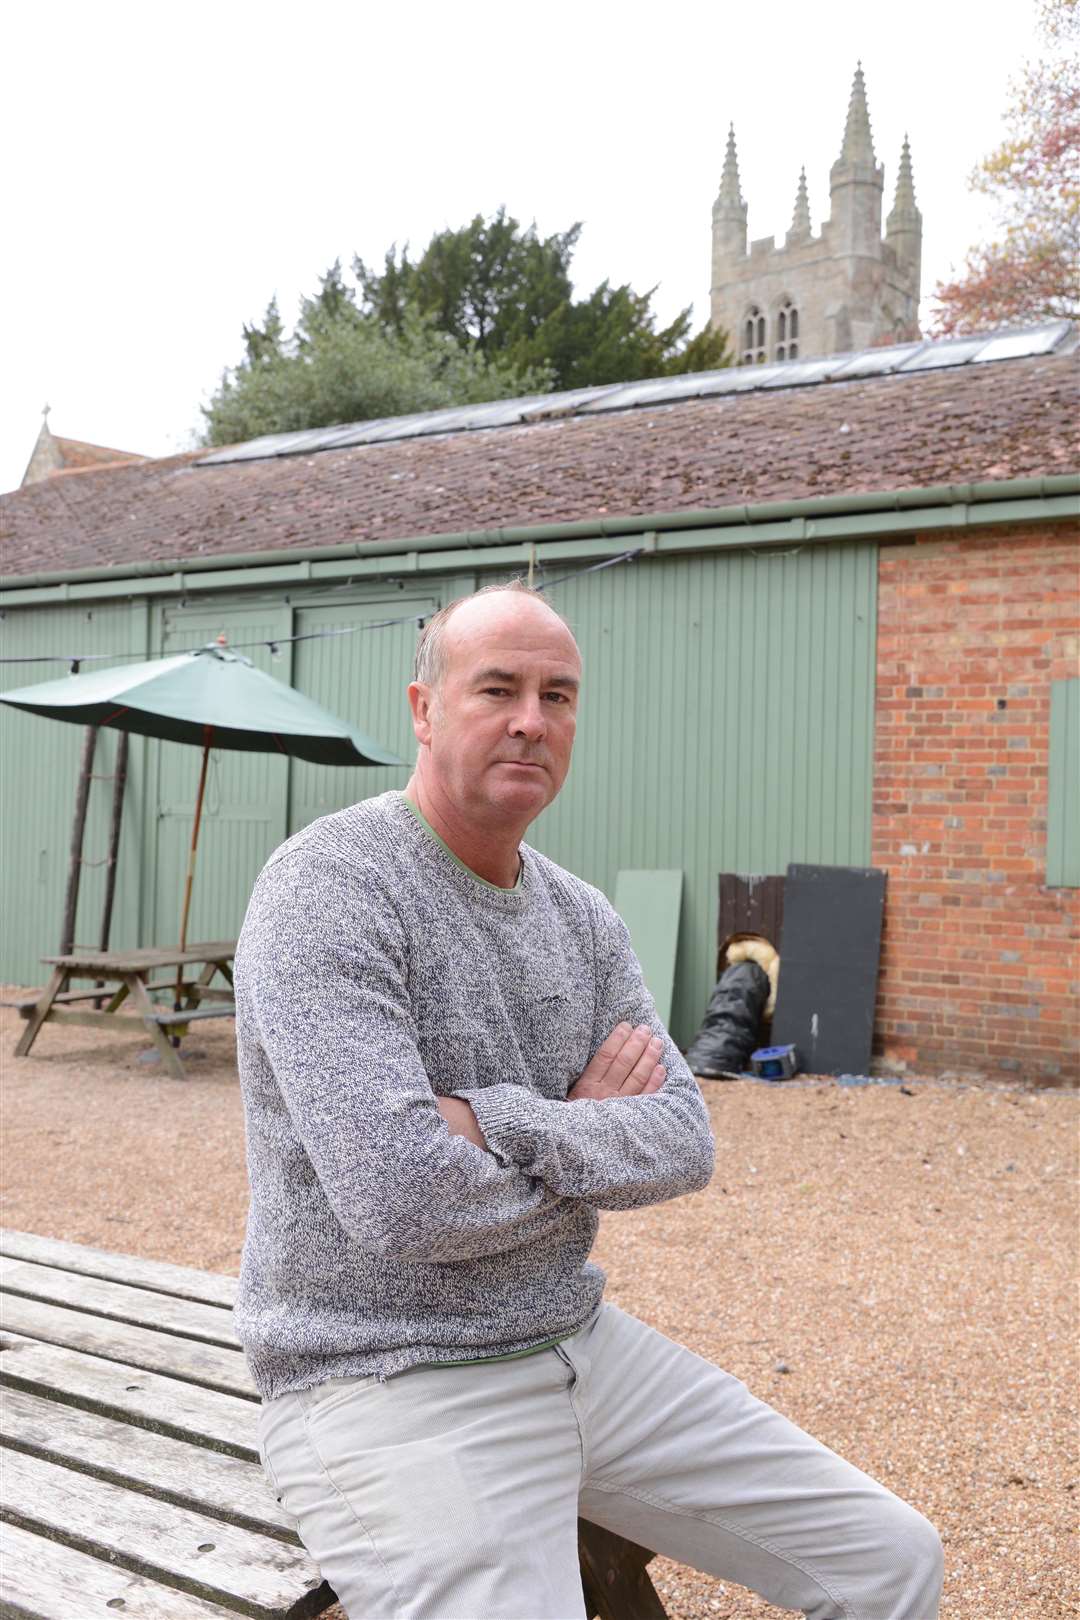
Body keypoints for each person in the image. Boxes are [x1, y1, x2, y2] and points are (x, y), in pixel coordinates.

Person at [234, 581, 943, 1620]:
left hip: (578, 1343)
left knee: (891, 1559)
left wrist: (497, 1120)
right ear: (425, 709)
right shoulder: (330, 889)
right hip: (380, 1379)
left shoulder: (585, 919)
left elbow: (681, 1142)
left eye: (558, 696)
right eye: (498, 689)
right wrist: (582, 1132)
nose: (533, 720)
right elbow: (401, 1202)